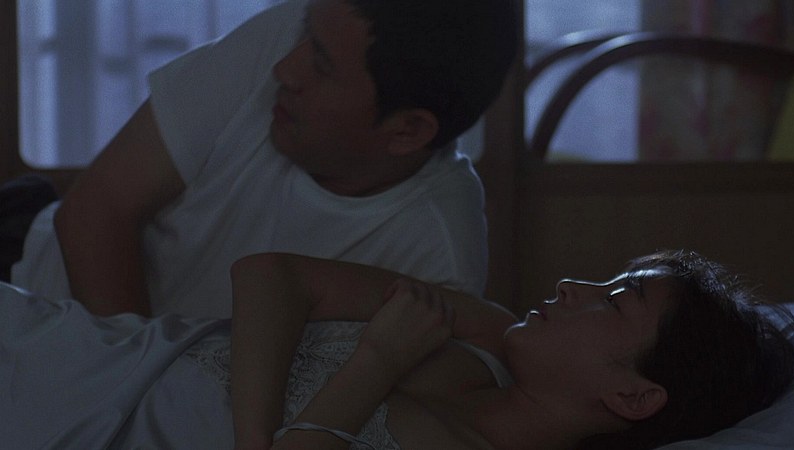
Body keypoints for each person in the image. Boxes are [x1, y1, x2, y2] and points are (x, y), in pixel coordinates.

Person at [7, 0, 518, 318]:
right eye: (304, 34)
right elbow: (96, 211)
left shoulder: (436, 262)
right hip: (25, 276)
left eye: (321, 65)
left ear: (407, 131)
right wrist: (131, 394)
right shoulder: (294, 32)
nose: (285, 68)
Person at [0, 250, 794, 449]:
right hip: (62, 344)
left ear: (631, 395)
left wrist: (377, 364)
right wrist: (257, 440)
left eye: (616, 299)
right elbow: (269, 274)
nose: (573, 284)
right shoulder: (484, 331)